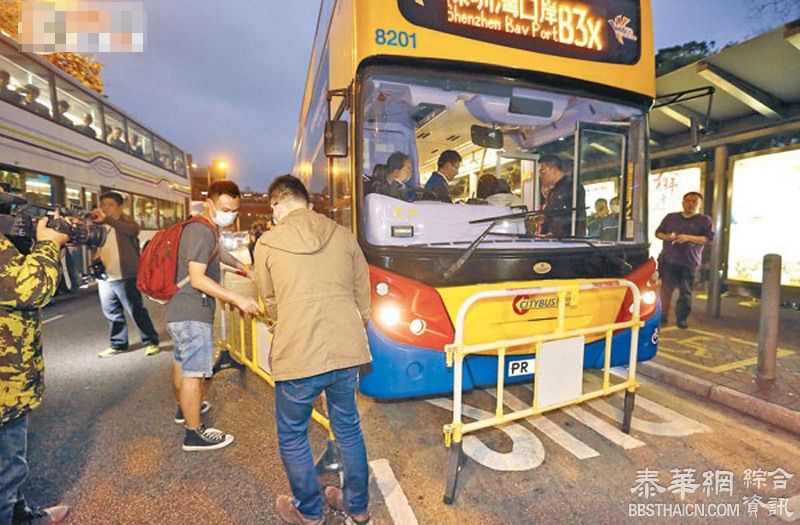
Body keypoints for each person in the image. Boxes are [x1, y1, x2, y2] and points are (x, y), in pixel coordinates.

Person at [254, 175, 371, 525]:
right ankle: (357, 505)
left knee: (293, 434)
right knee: (348, 427)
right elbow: (362, 294)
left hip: (298, 353)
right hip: (346, 349)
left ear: (276, 203)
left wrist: (283, 324)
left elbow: (269, 299)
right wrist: (354, 327)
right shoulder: (342, 234)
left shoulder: (268, 244)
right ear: (306, 201)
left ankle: (309, 510)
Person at [166, 180, 259, 451]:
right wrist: (238, 298)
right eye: (224, 208)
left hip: (179, 309)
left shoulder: (205, 229)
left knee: (182, 363)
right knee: (194, 373)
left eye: (234, 209)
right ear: (209, 203)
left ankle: (185, 410)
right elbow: (197, 278)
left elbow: (219, 254)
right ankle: (194, 434)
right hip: (193, 310)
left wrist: (245, 268)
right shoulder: (201, 231)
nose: (229, 213)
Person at [0, 186, 71, 525]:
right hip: (4, 384)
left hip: (8, 380)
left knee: (8, 466)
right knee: (6, 466)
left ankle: (20, 516)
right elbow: (33, 289)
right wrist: (49, 244)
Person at [92, 192, 161, 358]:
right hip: (105, 276)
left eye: (110, 205)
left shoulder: (126, 222)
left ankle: (151, 341)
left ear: (120, 207)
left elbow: (132, 231)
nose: (105, 208)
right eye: (103, 205)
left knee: (136, 310)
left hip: (126, 274)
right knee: (111, 312)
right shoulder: (98, 224)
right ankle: (118, 344)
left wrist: (108, 220)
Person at [655, 191, 715, 329]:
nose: (690, 204)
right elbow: (658, 233)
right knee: (665, 290)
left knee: (685, 292)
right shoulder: (671, 217)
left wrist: (688, 238)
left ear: (699, 204)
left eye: (694, 202)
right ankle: (662, 316)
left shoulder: (705, 220)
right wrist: (667, 237)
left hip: (689, 261)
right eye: (688, 201)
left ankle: (682, 318)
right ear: (683, 202)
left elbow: (708, 239)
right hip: (669, 259)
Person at [538, 154, 586, 237]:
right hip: (553, 241)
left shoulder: (572, 187)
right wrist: (544, 219)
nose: (540, 176)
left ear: (553, 169)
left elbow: (573, 216)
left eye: (542, 172)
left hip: (566, 242)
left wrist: (554, 233)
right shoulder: (553, 191)